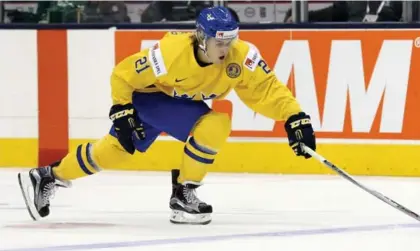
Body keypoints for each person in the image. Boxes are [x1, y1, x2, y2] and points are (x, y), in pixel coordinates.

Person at [18, 6, 316, 225]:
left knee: (116, 152)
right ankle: (184, 192)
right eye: (220, 42)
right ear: (202, 38)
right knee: (215, 123)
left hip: (165, 105)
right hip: (148, 99)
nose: (227, 49)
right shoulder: (172, 54)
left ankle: (46, 175)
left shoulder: (242, 57)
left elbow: (267, 89)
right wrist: (121, 109)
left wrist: (294, 117)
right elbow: (123, 74)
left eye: (231, 41)